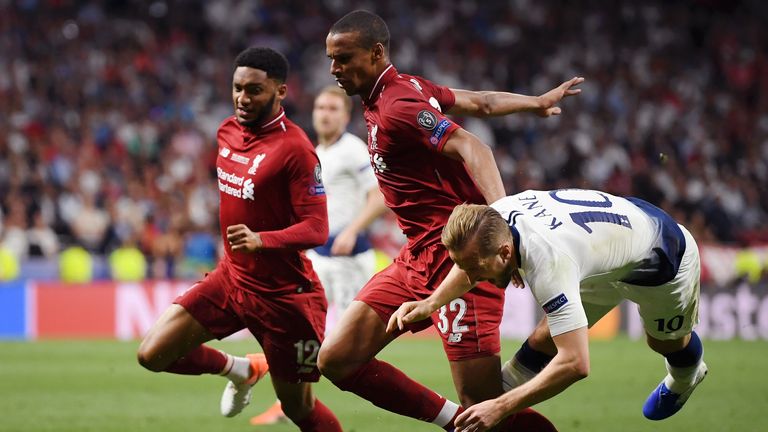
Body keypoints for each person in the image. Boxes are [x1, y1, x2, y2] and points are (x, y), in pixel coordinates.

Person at [318, 9, 582, 431]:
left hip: (461, 261)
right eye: (331, 59)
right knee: (336, 358)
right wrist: (534, 103)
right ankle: (450, 420)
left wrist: (506, 220)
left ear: (376, 53)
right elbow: (481, 101)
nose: (334, 69)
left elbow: (473, 146)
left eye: (344, 58)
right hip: (414, 258)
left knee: (486, 404)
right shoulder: (401, 91)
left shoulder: (399, 105)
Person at [136, 47, 342, 432]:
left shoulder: (296, 151)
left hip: (285, 300)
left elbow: (317, 229)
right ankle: (241, 369)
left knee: (298, 409)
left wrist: (261, 240)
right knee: (152, 353)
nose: (243, 99)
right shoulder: (227, 130)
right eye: (237, 88)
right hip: (232, 280)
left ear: (280, 92)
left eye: (255, 90)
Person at [388, 188, 707, 431]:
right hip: (605, 255)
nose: (472, 278)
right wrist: (431, 302)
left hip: (662, 261)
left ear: (504, 253)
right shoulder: (493, 219)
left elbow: (576, 364)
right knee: (545, 339)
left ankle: (686, 379)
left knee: (664, 343)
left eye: (477, 269)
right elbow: (470, 261)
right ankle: (495, 408)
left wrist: (500, 407)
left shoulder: (548, 262)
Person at [250, 85, 387, 426]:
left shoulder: (353, 151)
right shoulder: (315, 152)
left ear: (345, 115)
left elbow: (379, 197)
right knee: (303, 330)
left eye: (332, 108)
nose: (325, 113)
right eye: (320, 108)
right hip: (319, 257)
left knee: (340, 342)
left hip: (349, 258)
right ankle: (292, 401)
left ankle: (309, 399)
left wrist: (353, 229)